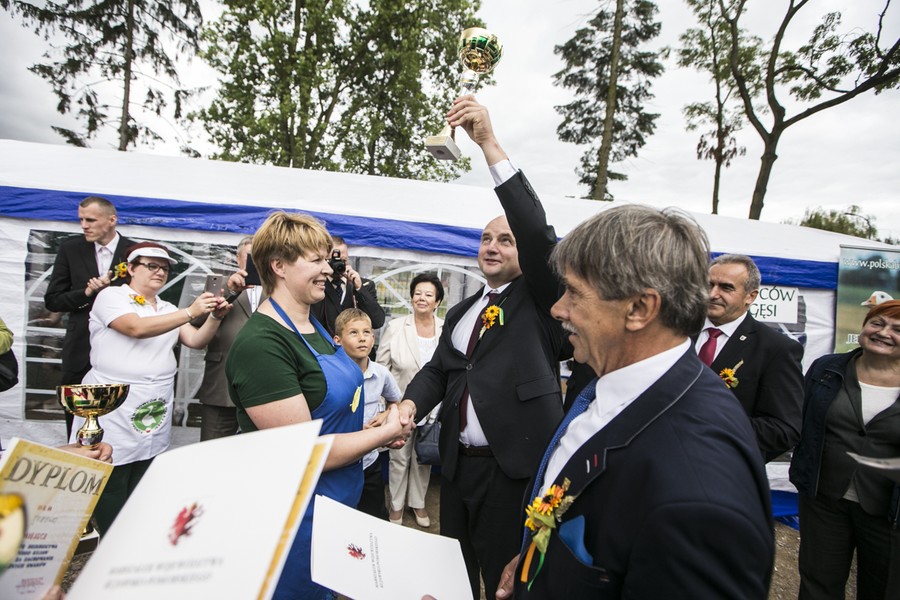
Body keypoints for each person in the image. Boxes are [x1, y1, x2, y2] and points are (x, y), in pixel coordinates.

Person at [493, 203, 774, 599]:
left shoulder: (697, 491)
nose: (559, 309)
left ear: (640, 309)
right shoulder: (614, 388)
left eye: (574, 292)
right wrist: (538, 565)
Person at [390, 97, 567, 600]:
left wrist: (488, 144)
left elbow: (535, 230)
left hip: (513, 467)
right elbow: (440, 373)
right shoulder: (462, 312)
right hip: (458, 464)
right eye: (487, 238)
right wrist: (409, 404)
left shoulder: (543, 300)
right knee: (454, 577)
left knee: (507, 582)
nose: (492, 245)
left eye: (505, 240)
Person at [224, 211, 411, 600]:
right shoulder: (263, 344)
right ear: (278, 266)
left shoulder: (317, 327)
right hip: (294, 512)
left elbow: (329, 418)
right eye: (316, 259)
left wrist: (370, 430)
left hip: (336, 499)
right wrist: (385, 435)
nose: (328, 269)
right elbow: (303, 452)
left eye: (327, 259)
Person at [72, 241, 229, 533]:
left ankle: (135, 533)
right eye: (152, 265)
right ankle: (111, 535)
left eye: (165, 268)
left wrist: (215, 317)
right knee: (112, 467)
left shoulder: (167, 307)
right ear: (130, 268)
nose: (160, 272)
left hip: (154, 399)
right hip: (113, 398)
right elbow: (136, 328)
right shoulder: (111, 296)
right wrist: (191, 311)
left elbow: (195, 340)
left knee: (145, 466)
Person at [789, 300, 900, 599]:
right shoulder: (827, 368)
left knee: (883, 589)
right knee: (818, 584)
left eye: (897, 329)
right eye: (877, 323)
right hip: (824, 498)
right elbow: (798, 419)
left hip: (889, 511)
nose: (883, 332)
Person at [695, 253, 804, 461]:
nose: (713, 294)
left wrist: (713, 426)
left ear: (750, 296)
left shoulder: (776, 349)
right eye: (709, 285)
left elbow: (784, 430)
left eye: (726, 287)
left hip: (723, 470)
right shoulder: (676, 332)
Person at [44, 196, 133, 436]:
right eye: (81, 219)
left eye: (91, 220)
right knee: (76, 420)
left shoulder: (134, 251)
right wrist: (86, 292)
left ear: (112, 220)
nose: (84, 225)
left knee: (119, 417)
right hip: (80, 346)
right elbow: (53, 300)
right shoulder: (70, 249)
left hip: (123, 347)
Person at [376, 272, 445, 527]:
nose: (422, 298)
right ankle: (395, 507)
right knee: (398, 458)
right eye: (418, 293)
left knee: (423, 458)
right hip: (400, 406)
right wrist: (388, 405)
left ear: (437, 301)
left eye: (428, 294)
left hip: (433, 410)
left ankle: (417, 503)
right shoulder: (396, 327)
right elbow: (382, 367)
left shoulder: (445, 328)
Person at [333, 308, 401, 520]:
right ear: (337, 340)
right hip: (340, 464)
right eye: (353, 333)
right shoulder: (330, 374)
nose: (362, 338)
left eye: (367, 332)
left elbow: (395, 400)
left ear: (374, 337)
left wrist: (386, 414)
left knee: (373, 516)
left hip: (370, 462)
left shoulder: (381, 374)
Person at [195, 236, 259, 440]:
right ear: (238, 258)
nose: (255, 263)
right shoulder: (220, 285)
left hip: (262, 389)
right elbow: (196, 318)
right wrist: (231, 291)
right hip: (221, 385)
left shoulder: (279, 291)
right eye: (250, 257)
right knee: (212, 453)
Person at [310, 235, 385, 337]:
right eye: (334, 261)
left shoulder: (365, 285)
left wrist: (359, 288)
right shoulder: (317, 285)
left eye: (343, 260)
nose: (338, 265)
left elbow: (377, 321)